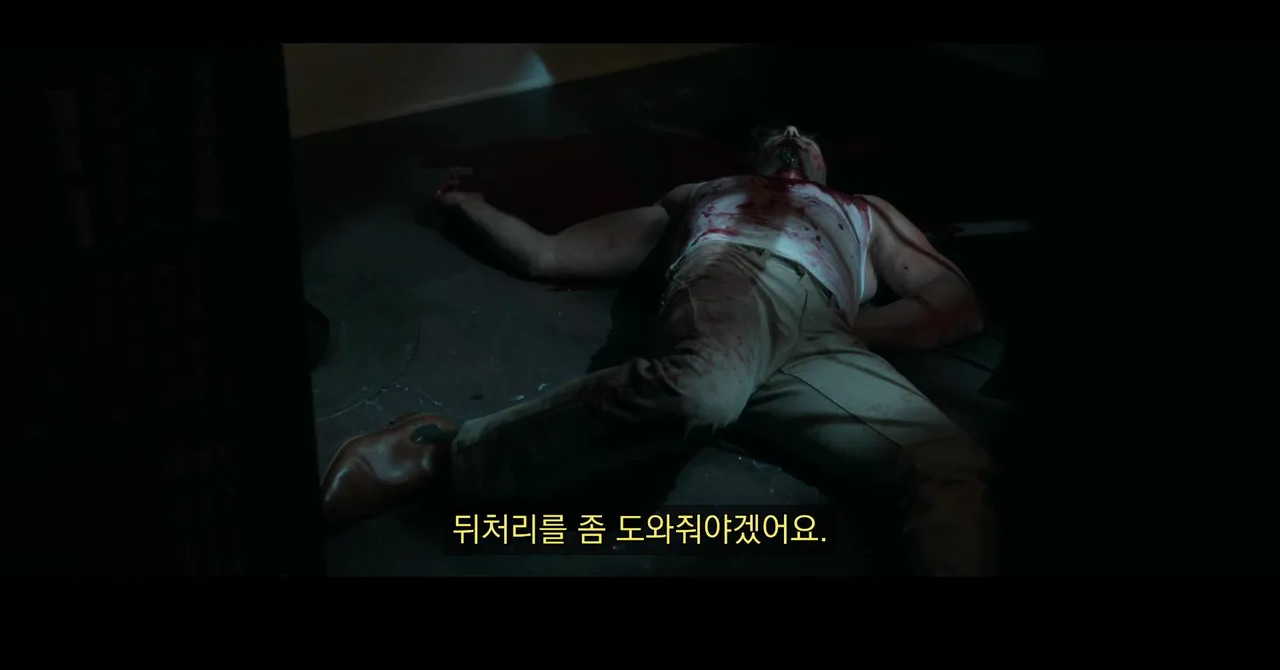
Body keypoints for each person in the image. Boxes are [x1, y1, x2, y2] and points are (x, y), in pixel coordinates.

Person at [320, 126, 996, 575]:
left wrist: (857, 332)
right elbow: (550, 253)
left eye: (804, 138)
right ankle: (440, 451)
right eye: (777, 137)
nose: (792, 137)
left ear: (823, 167)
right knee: (699, 391)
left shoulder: (862, 210)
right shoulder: (705, 196)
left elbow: (954, 302)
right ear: (753, 164)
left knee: (949, 466)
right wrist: (469, 205)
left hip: (824, 332)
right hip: (735, 276)